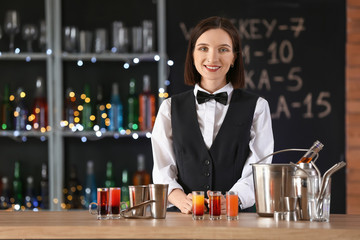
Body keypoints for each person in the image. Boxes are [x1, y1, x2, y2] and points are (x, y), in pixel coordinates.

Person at [151, 16, 274, 214]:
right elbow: (162, 166)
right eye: (203, 48)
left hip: (237, 221)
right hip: (182, 221)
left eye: (223, 49)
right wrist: (180, 199)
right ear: (192, 54)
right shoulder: (169, 107)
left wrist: (233, 199)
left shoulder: (258, 107)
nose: (212, 58)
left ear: (235, 57)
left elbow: (259, 168)